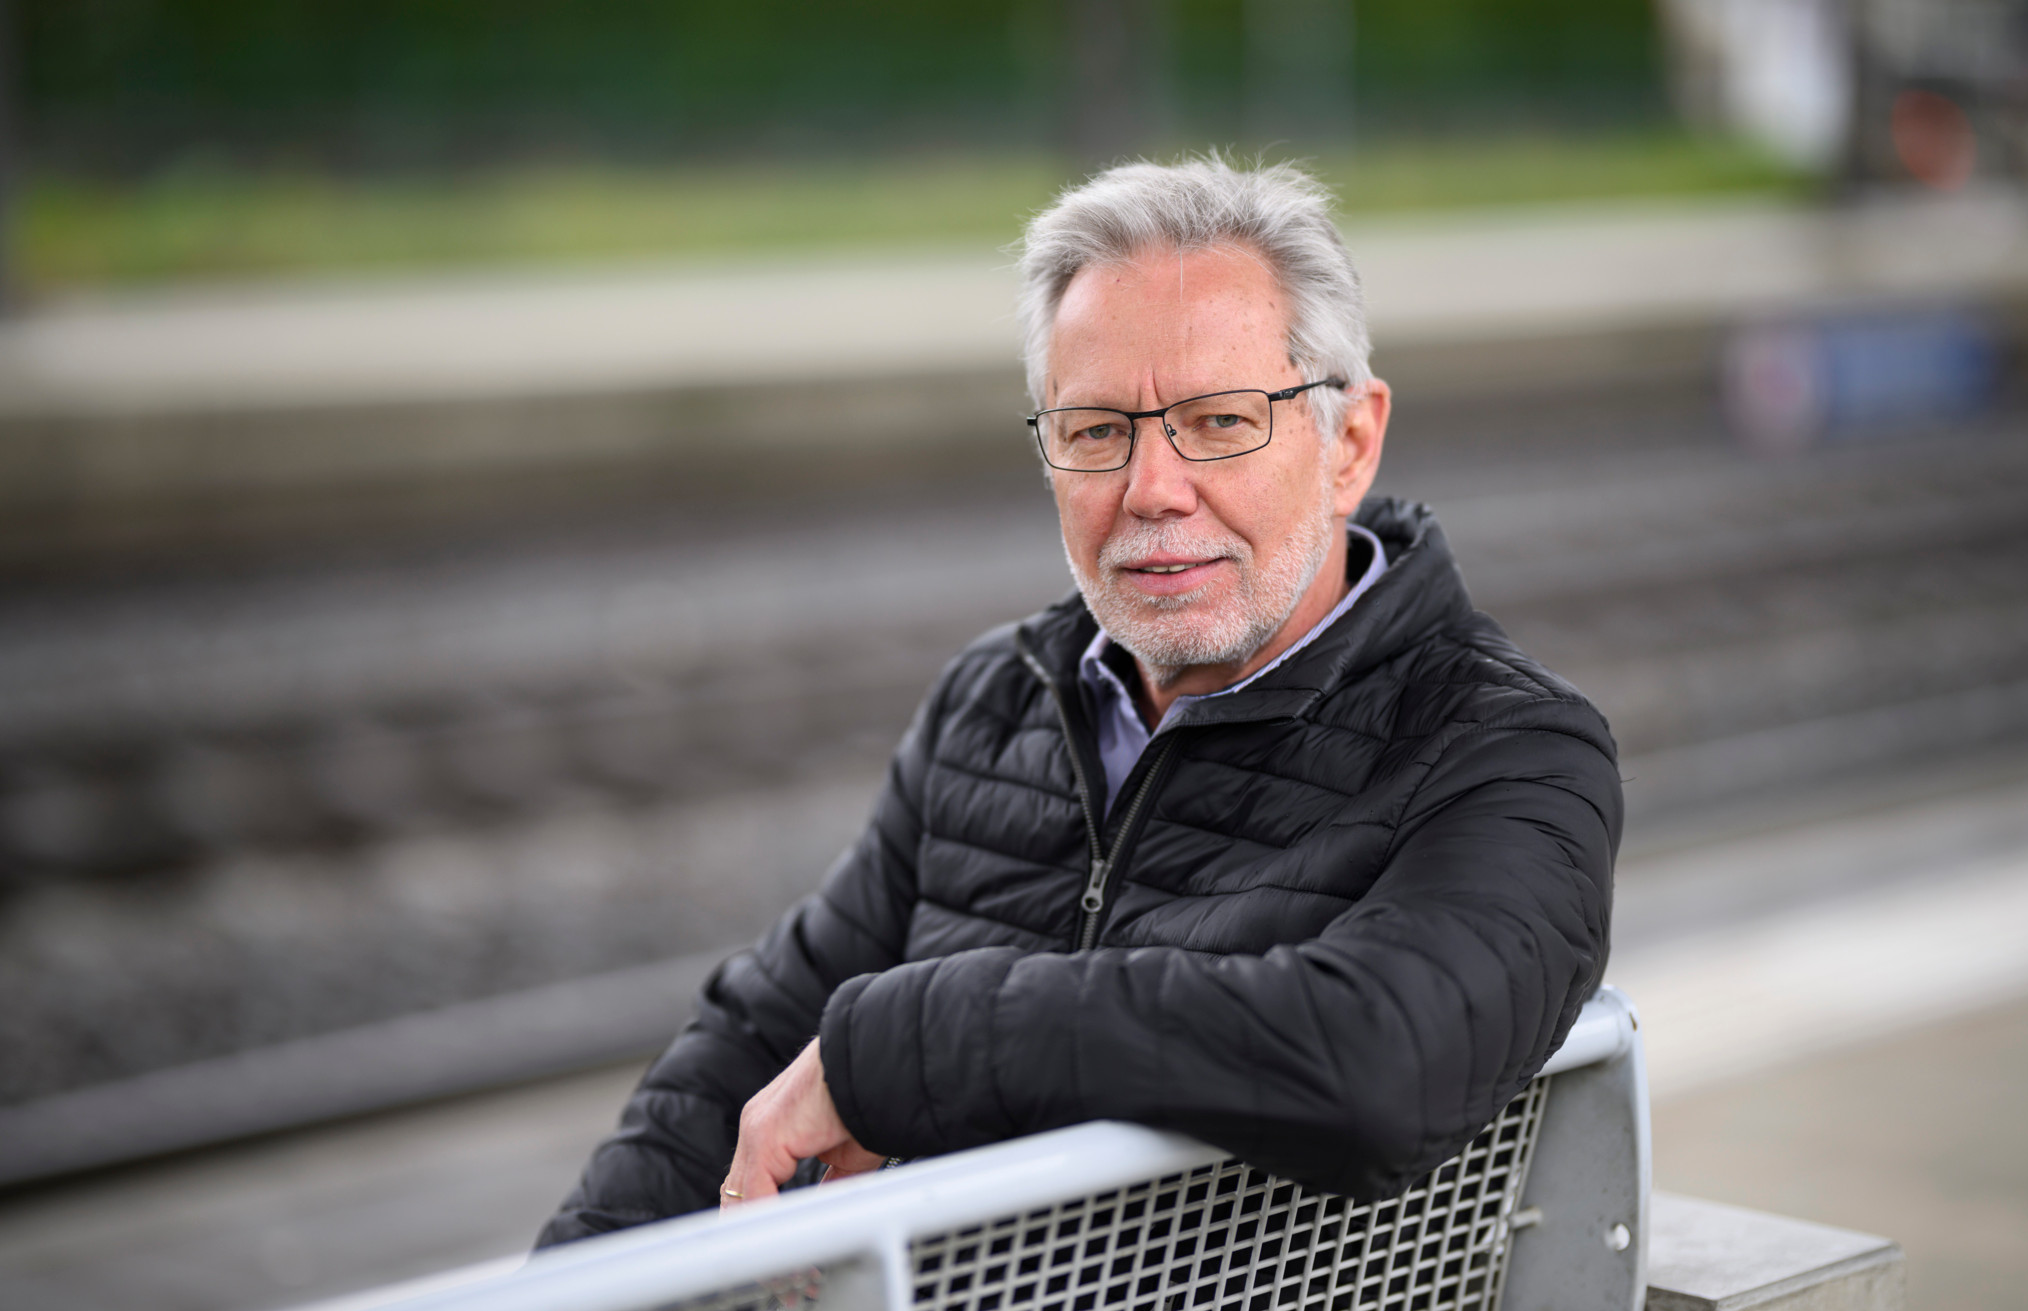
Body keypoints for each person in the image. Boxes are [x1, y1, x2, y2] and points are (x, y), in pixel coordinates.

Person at [537, 155, 1620, 1246]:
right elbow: (755, 1037)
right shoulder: (995, 701)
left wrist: (917, 1047)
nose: (1151, 490)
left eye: (1219, 420)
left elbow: (1383, 1061)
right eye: (1096, 430)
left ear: (1349, 443)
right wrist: (567, 1304)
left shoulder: (1507, 750)